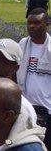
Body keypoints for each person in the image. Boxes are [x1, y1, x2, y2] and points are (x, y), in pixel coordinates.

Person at [17, 8, 51, 149]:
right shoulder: (22, 44)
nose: (32, 26)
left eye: (37, 23)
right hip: (25, 109)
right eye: (29, 22)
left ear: (47, 24)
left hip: (47, 110)